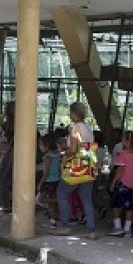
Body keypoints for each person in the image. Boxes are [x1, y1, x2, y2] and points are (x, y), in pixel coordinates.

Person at [53, 102, 97, 239]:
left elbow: (73, 149)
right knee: (87, 200)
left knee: (61, 194)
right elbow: (89, 148)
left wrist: (63, 154)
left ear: (74, 113)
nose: (68, 114)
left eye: (70, 112)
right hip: (88, 169)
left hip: (75, 169)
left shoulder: (74, 127)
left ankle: (65, 226)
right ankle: (91, 231)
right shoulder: (89, 128)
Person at [108, 130, 133, 238]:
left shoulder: (123, 154)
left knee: (115, 205)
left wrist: (113, 182)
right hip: (132, 184)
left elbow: (120, 170)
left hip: (122, 183)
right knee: (128, 206)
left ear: (127, 141)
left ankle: (118, 227)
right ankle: (127, 229)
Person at [37, 133, 61, 227]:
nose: (40, 147)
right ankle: (52, 219)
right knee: (51, 203)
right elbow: (59, 169)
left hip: (48, 181)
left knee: (41, 199)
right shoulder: (57, 155)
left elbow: (46, 173)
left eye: (41, 145)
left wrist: (40, 183)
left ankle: (58, 201)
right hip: (56, 180)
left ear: (46, 145)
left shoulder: (47, 157)